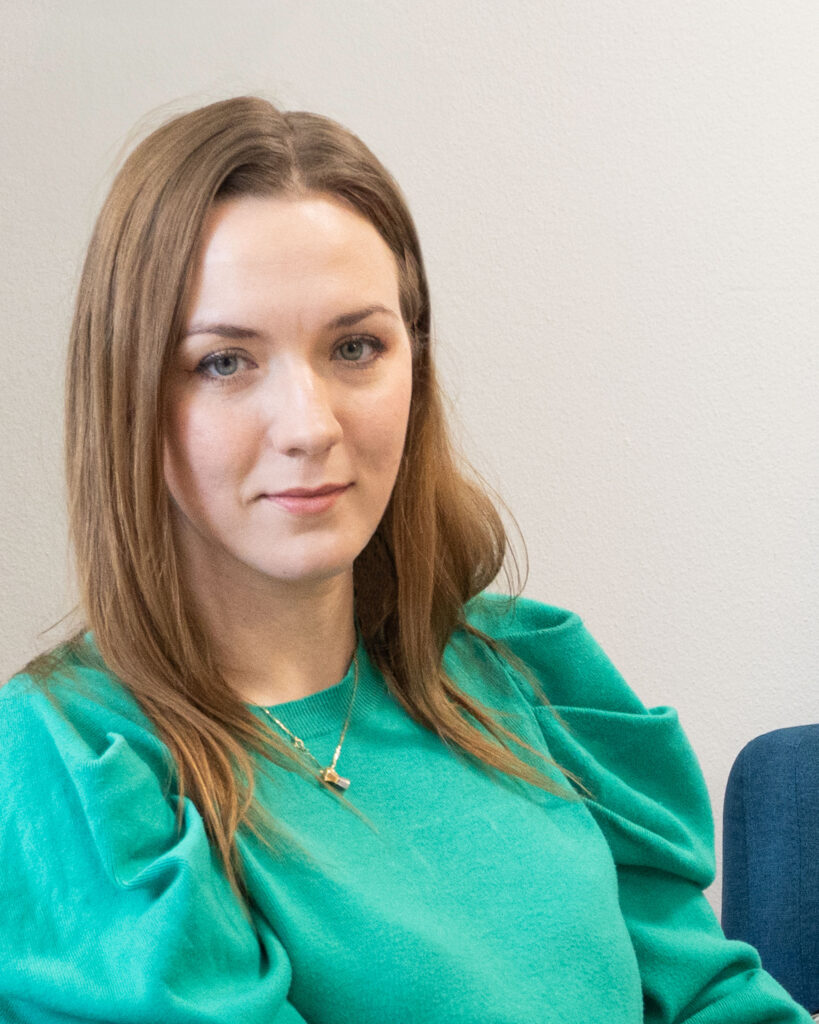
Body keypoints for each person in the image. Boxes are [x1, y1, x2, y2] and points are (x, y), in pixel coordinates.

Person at [0, 96, 810, 1024]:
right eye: (225, 362)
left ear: (413, 367)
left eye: (355, 348)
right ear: (129, 394)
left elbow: (714, 1000)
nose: (309, 426)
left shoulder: (527, 672)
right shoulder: (74, 760)